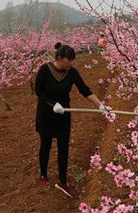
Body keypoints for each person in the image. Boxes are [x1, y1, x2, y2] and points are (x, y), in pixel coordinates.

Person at [35, 42, 109, 198]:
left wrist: (100, 105)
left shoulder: (72, 72)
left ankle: (62, 181)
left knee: (63, 147)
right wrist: (52, 103)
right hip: (46, 114)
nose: (71, 64)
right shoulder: (44, 70)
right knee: (45, 145)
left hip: (63, 115)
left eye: (72, 61)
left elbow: (84, 89)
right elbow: (38, 91)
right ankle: (43, 173)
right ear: (60, 58)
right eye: (69, 61)